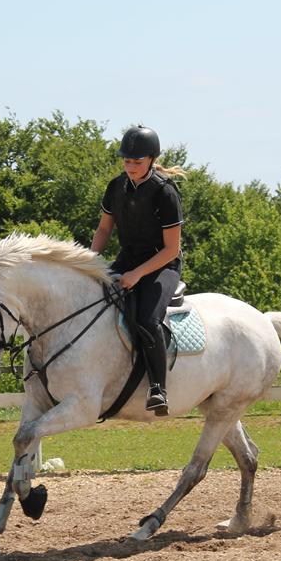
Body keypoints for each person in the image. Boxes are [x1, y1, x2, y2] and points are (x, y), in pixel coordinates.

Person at [90, 125, 185, 415]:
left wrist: (136, 275)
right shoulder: (115, 186)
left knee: (146, 319)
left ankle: (158, 388)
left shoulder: (165, 193)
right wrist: (88, 262)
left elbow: (172, 249)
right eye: (127, 161)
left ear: (152, 160)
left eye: (137, 162)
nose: (130, 166)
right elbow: (105, 229)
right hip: (127, 259)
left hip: (162, 265)